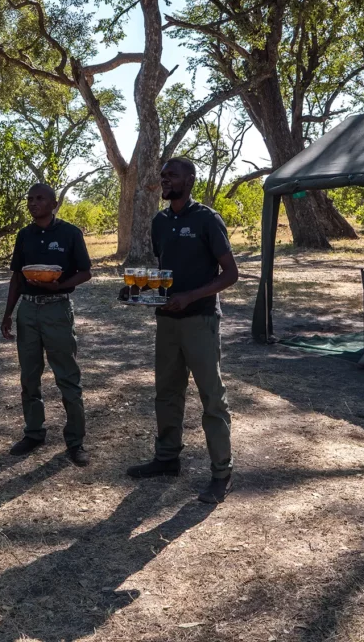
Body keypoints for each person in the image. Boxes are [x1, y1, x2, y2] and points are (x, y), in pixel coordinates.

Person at [127, 158, 239, 504]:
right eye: (162, 176)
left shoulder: (206, 219)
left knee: (211, 398)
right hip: (168, 323)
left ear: (189, 179)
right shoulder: (159, 221)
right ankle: (166, 458)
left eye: (171, 175)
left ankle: (221, 473)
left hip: (201, 321)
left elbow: (230, 274)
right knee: (167, 393)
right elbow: (166, 274)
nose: (164, 180)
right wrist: (139, 292)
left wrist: (191, 296)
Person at [1, 183, 93, 467]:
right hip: (28, 310)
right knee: (29, 376)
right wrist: (8, 314)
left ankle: (76, 441)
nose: (33, 203)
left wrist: (60, 286)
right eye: (29, 199)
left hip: (57, 309)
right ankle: (34, 432)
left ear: (54, 203)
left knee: (67, 377)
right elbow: (18, 276)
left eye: (40, 198)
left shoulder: (69, 233)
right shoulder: (25, 235)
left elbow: (86, 271)